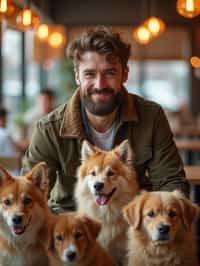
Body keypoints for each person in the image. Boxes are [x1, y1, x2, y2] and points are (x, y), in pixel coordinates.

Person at [21, 27, 189, 213]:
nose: (100, 85)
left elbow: (170, 183)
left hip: (132, 225)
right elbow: (28, 195)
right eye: (89, 74)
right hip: (72, 224)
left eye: (109, 73)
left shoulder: (151, 117)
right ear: (77, 76)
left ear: (125, 74)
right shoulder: (49, 129)